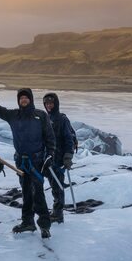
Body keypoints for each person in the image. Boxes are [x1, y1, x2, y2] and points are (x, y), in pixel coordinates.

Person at [0, 79, 55, 238]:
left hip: (37, 162)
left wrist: (50, 155)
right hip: (21, 162)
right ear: (18, 100)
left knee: (38, 194)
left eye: (26, 97)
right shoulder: (13, 115)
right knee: (26, 193)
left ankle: (44, 225)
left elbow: (50, 137)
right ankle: (28, 222)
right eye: (21, 98)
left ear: (31, 99)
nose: (23, 100)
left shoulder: (40, 115)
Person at [42, 93, 78, 222]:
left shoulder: (62, 119)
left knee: (57, 186)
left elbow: (68, 138)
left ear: (56, 104)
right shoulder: (46, 118)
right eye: (46, 104)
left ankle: (58, 214)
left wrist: (68, 157)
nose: (49, 106)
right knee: (54, 185)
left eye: (51, 103)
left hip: (59, 158)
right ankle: (56, 211)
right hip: (50, 158)